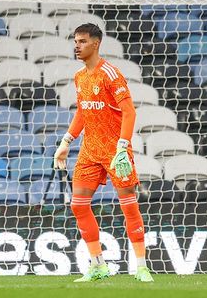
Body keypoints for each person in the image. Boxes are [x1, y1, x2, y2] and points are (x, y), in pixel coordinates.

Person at [53, 23, 153, 283]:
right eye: (75, 41)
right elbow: (83, 112)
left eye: (82, 41)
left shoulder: (110, 73)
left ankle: (141, 267)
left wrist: (122, 147)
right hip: (89, 150)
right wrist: (66, 142)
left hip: (115, 150)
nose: (77, 45)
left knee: (128, 205)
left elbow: (130, 112)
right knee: (78, 205)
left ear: (95, 44)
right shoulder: (79, 77)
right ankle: (98, 265)